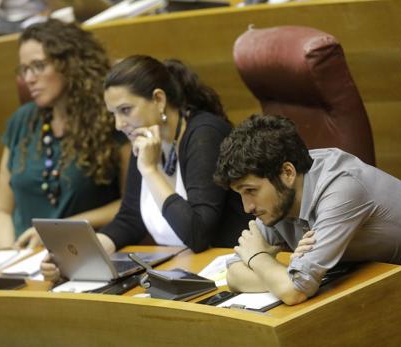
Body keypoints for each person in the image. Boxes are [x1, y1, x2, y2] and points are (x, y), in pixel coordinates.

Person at [213, 113, 401, 344]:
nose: (247, 207)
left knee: (356, 338)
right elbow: (234, 276)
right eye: (240, 194)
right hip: (400, 278)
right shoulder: (278, 201)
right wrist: (284, 274)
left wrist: (259, 259)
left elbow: (295, 290)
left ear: (287, 173)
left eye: (251, 191)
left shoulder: (341, 188)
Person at [41, 55, 251, 281]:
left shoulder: (204, 134)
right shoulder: (145, 138)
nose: (119, 125)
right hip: (182, 270)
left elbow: (197, 235)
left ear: (158, 99)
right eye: (113, 114)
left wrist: (151, 171)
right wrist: (82, 256)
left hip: (230, 269)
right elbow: (130, 219)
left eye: (125, 110)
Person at [0, 19, 130, 249]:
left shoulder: (111, 119)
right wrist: (8, 253)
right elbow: (0, 210)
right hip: (22, 260)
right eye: (24, 70)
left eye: (38, 66)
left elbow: (131, 206)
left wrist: (58, 231)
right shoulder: (22, 121)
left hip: (83, 253)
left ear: (69, 64)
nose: (29, 78)